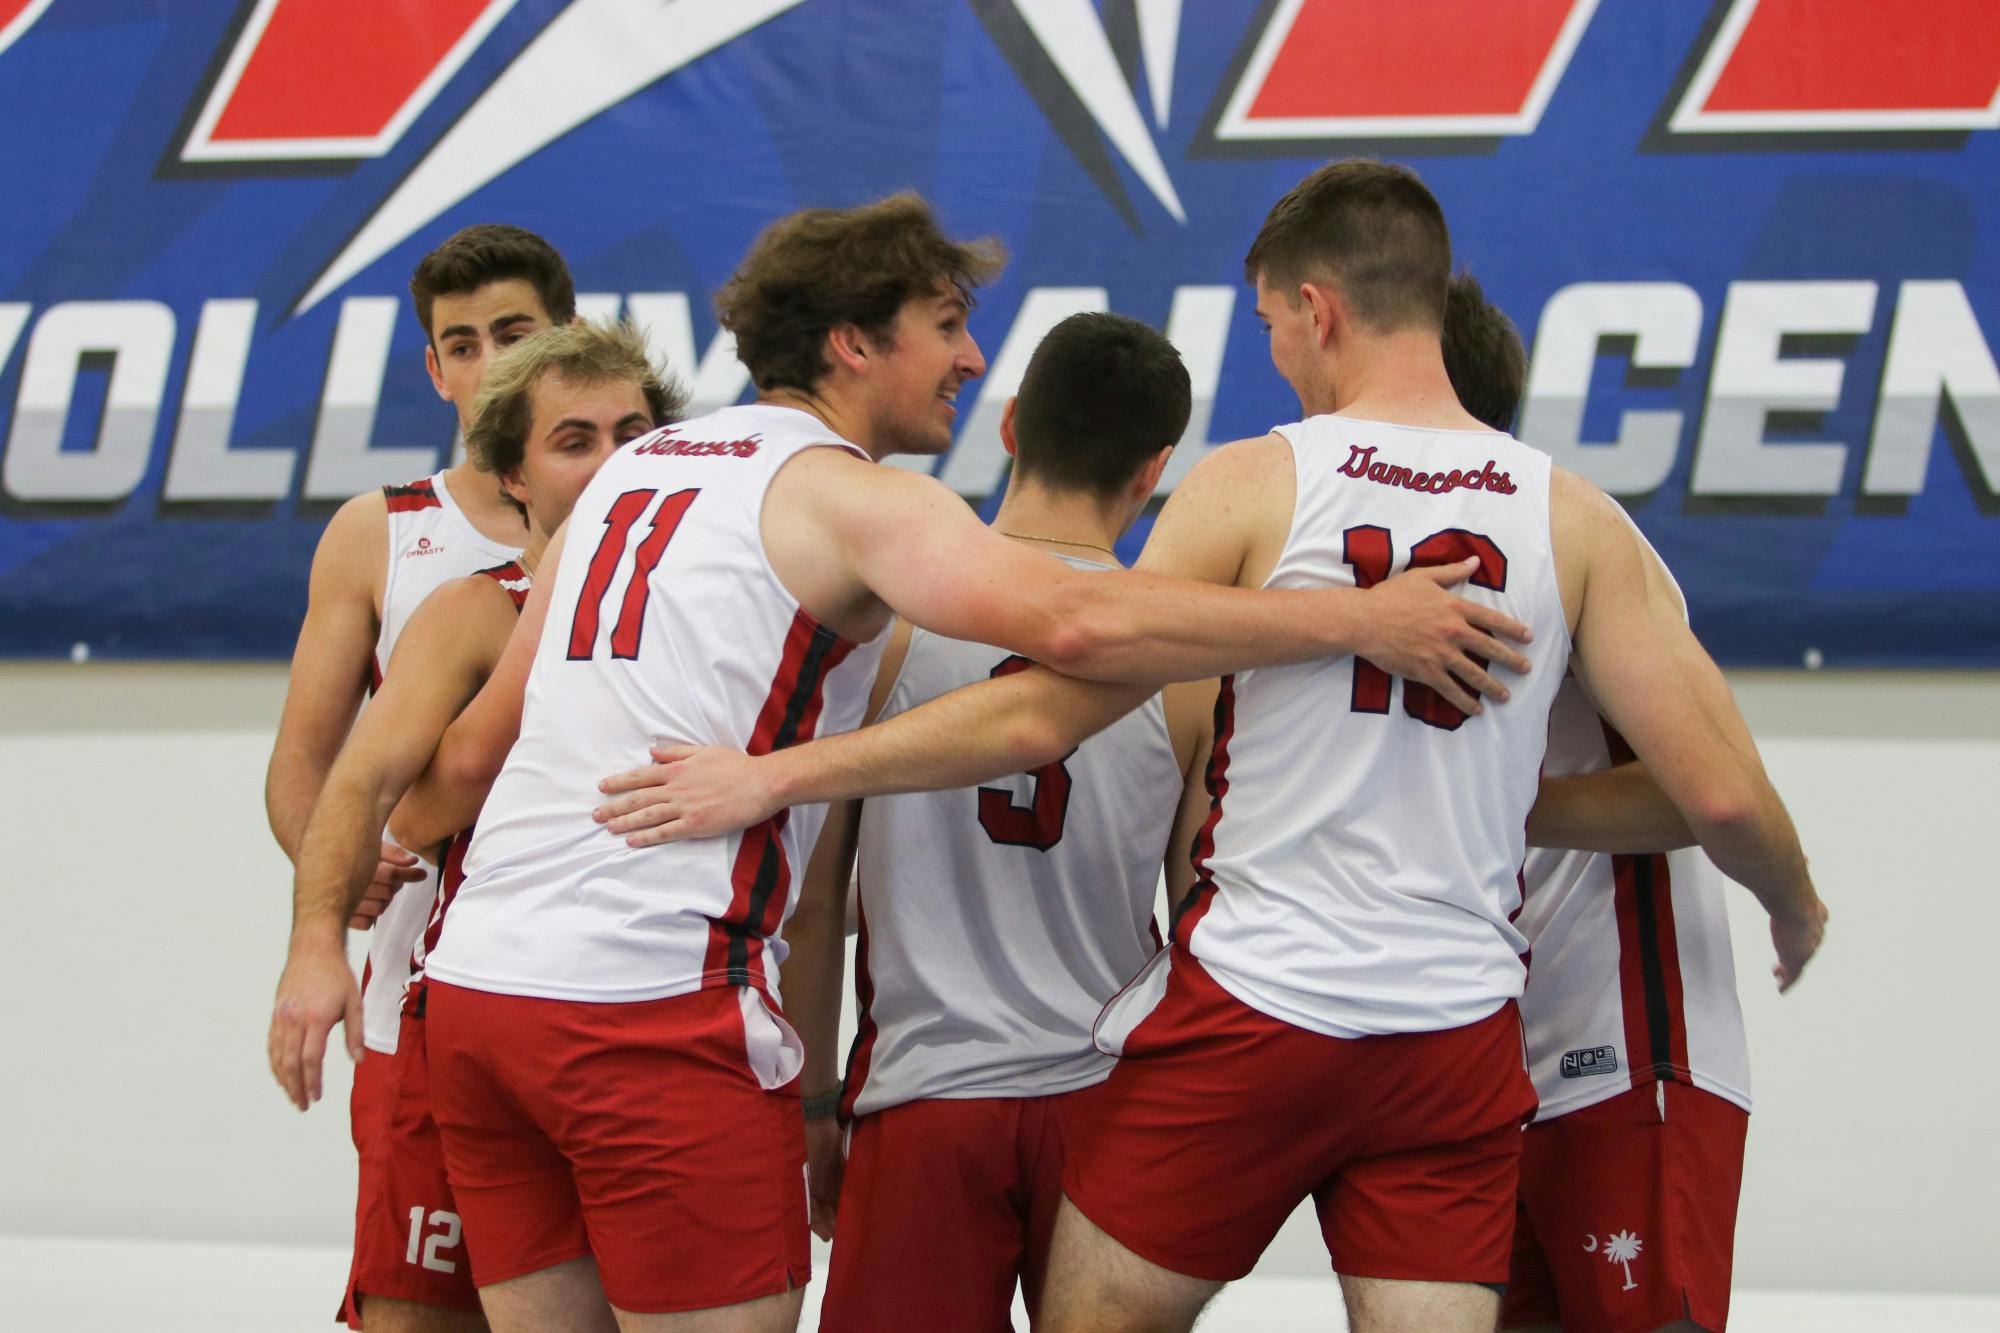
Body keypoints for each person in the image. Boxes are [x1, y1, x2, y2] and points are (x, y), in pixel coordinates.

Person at [593, 162, 1826, 1333]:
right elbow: (1713, 797)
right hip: (1452, 1030)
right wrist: (1794, 904)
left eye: (1271, 325)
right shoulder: (1572, 515)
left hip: (1260, 1004)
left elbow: (1039, 709)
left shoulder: (1252, 486)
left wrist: (780, 774)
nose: (1275, 352)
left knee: (1091, 1314)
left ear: (1315, 307)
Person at [402, 191, 1532, 1333]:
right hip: (660, 1004)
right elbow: (1082, 643)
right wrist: (1352, 619)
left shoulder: (623, 481)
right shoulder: (863, 505)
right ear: (854, 342)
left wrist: (378, 853)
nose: (968, 354)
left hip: (487, 984)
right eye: (944, 324)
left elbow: (475, 745)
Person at [779, 312, 1216, 1332]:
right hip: (1108, 1099)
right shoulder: (1186, 657)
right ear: (1152, 469)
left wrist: (805, 1110)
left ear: (1010, 425)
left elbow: (808, 900)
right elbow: (1207, 921)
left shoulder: (888, 624)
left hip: (926, 1097)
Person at [1437, 274, 1776, 1333]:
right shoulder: (1389, 569)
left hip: (1627, 1052)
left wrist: (1796, 900)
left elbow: (1708, 791)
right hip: (1487, 1065)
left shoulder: (1575, 533)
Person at [262, 223, 576, 1330]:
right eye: (462, 341)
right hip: (422, 1003)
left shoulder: (646, 522)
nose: (489, 360)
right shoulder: (381, 531)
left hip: (602, 989)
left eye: (515, 331)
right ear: (434, 368)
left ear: (564, 337)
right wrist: (334, 888)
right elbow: (305, 768)